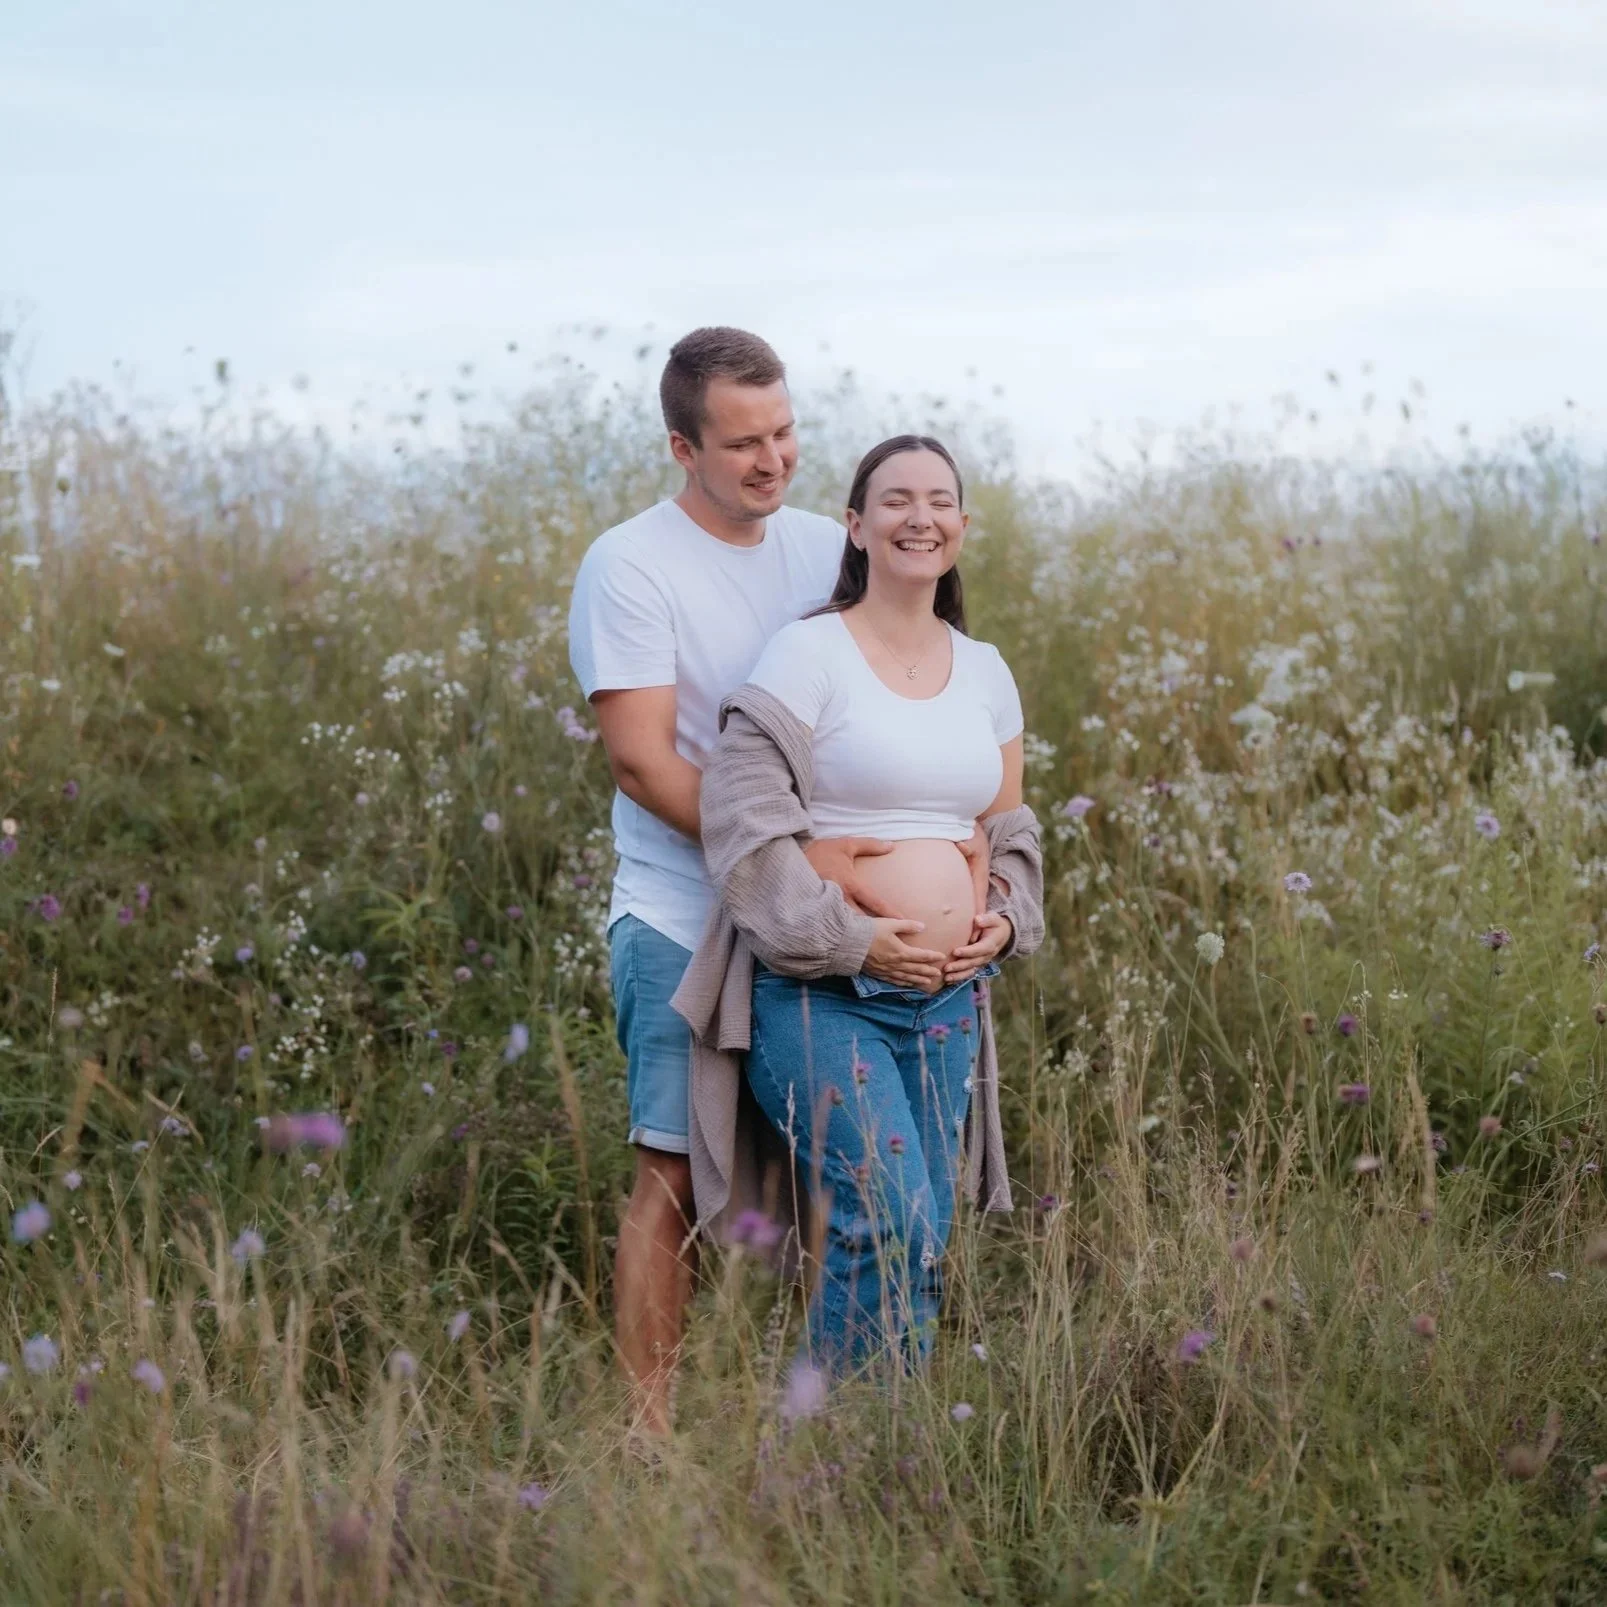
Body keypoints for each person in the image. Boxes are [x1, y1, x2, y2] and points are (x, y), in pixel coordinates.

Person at [568, 328, 920, 1434]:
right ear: (682, 446)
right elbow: (641, 757)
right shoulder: (628, 564)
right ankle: (647, 1438)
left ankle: (830, 1418)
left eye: (783, 433)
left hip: (820, 915)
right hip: (684, 913)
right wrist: (782, 859)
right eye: (741, 444)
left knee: (832, 1177)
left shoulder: (827, 544)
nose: (771, 460)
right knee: (671, 1175)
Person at [673, 435, 1043, 1375]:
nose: (919, 517)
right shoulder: (808, 653)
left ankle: (883, 1457)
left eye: (939, 500)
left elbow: (1008, 830)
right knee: (890, 1210)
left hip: (948, 996)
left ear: (961, 524)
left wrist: (1001, 921)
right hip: (820, 995)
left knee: (923, 1230)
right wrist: (854, 938)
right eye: (894, 500)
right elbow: (743, 818)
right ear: (855, 525)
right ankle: (829, 1453)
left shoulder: (985, 669)